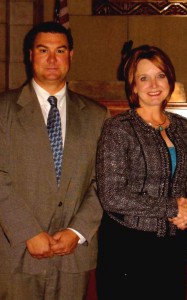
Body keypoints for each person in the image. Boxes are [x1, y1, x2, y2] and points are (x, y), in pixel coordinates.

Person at [0, 21, 110, 299]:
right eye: (43, 50)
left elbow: (105, 182)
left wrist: (77, 230)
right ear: (30, 55)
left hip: (73, 257)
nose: (52, 59)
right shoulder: (3, 110)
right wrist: (28, 231)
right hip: (15, 254)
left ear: (71, 56)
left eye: (60, 51)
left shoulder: (96, 115)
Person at [95, 44, 187, 300]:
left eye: (160, 75)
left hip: (173, 249)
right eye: (143, 78)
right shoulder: (117, 128)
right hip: (128, 247)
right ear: (133, 85)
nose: (153, 84)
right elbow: (112, 196)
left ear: (170, 79)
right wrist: (171, 208)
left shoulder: (182, 126)